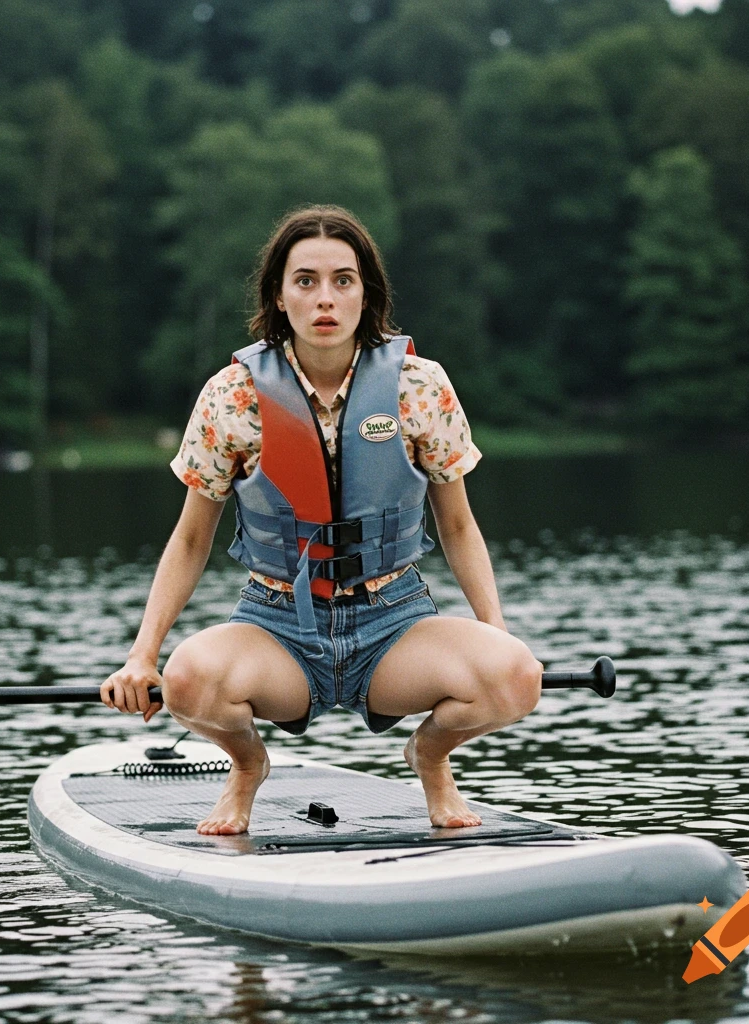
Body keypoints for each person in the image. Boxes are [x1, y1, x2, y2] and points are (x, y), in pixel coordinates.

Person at [101, 205, 542, 836]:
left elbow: (460, 527)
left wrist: (499, 636)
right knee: (187, 681)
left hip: (395, 621)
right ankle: (247, 765)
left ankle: (431, 756)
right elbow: (192, 537)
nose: (325, 298)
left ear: (368, 293)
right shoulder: (232, 396)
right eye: (305, 281)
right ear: (279, 297)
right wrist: (143, 655)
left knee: (517, 677)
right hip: (277, 624)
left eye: (343, 279)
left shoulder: (421, 387)